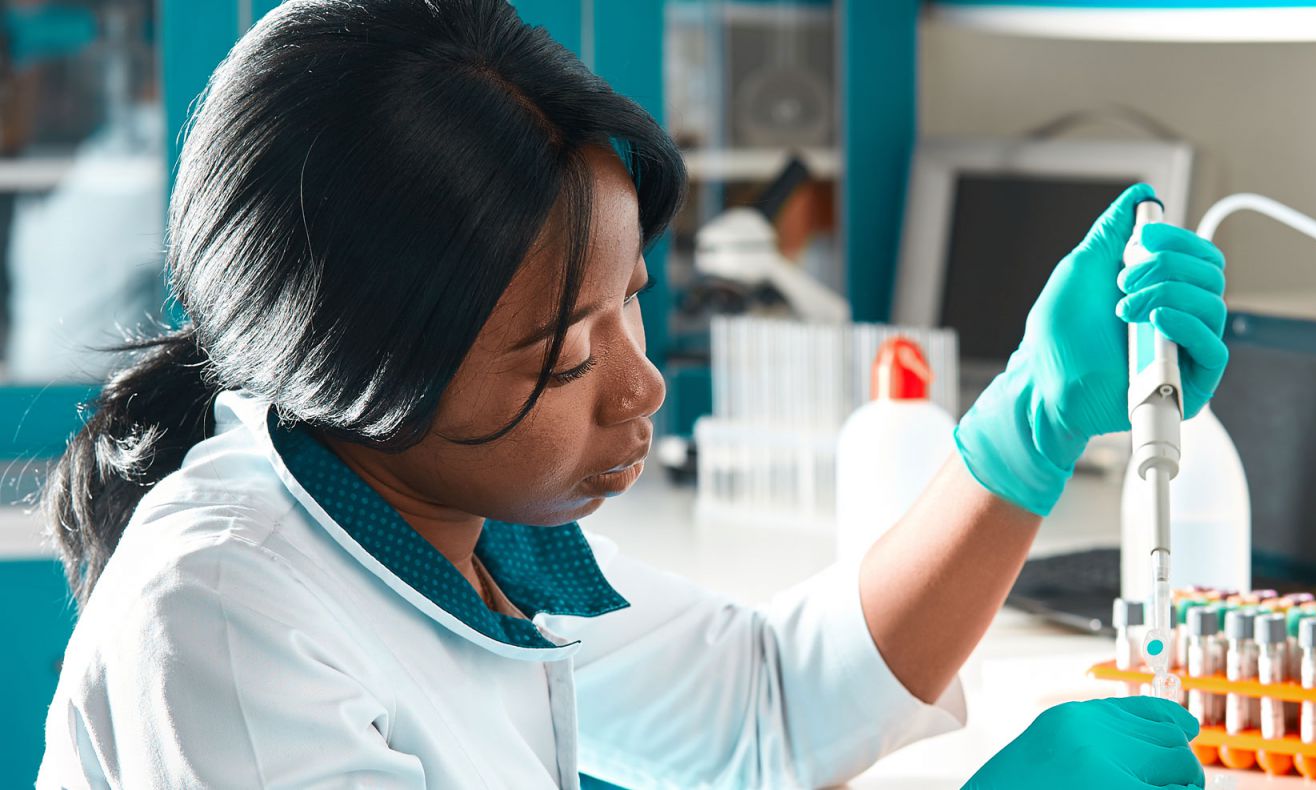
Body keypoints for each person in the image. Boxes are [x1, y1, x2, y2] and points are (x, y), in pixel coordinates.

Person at [35, 1, 1228, 788]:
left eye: (632, 298)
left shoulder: (452, 522)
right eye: (561, 357)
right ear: (367, 382)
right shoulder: (224, 618)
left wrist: (1028, 419)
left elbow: (767, 705)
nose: (641, 383)